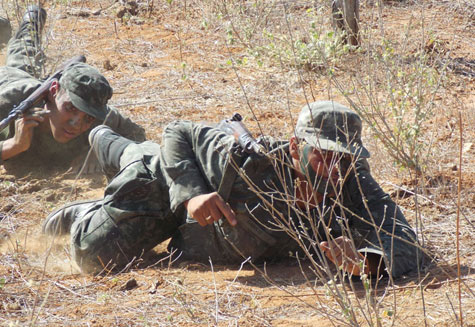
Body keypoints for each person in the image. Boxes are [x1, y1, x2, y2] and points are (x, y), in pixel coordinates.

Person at [42, 100, 422, 278]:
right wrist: (191, 194)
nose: (335, 169)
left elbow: (405, 240)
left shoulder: (353, 179)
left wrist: (371, 261)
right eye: (323, 156)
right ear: (295, 147)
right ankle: (92, 183)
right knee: (92, 256)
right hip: (164, 187)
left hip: (199, 236)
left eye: (345, 158)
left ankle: (108, 140)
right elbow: (178, 131)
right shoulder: (247, 160)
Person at [0, 6, 145, 174]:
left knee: (28, 59)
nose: (76, 124)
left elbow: (137, 134)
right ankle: (30, 21)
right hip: (9, 80)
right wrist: (13, 145)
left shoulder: (99, 114)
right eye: (71, 108)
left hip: (40, 88)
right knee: (22, 54)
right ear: (53, 91)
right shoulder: (8, 102)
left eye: (88, 117)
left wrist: (99, 151)